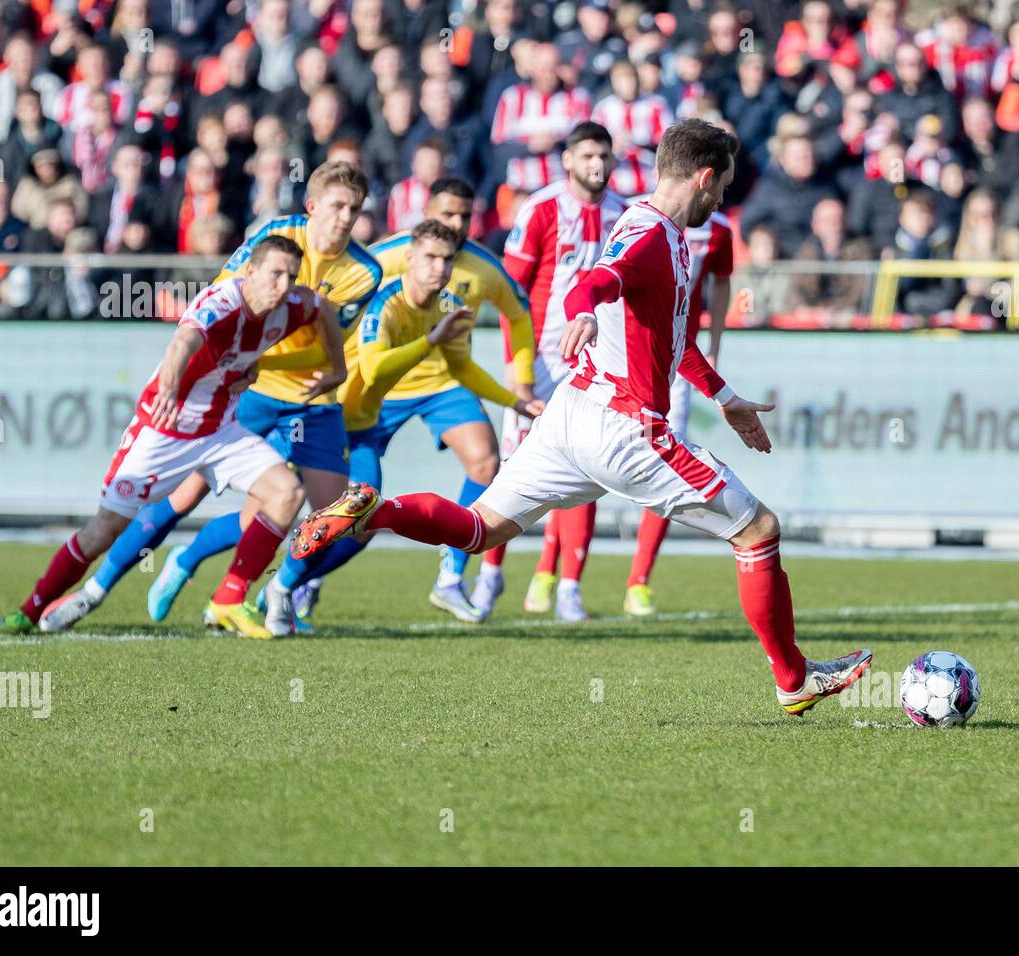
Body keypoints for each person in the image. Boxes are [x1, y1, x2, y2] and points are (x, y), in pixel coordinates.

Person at [293, 119, 871, 716]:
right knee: (759, 530)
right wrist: (584, 313)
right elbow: (592, 284)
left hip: (571, 414)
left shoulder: (647, 225)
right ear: (702, 178)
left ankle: (375, 510)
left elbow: (671, 335)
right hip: (625, 428)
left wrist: (724, 397)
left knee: (480, 528)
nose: (721, 200)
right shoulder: (652, 236)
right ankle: (793, 678)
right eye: (721, 187)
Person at [52, 162, 379, 634]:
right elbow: (224, 298)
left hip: (310, 396)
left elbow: (321, 343)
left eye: (355, 209)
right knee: (182, 495)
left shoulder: (365, 271)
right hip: (248, 390)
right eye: (337, 206)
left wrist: (296, 368)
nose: (346, 217)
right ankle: (99, 588)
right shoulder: (276, 236)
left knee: (344, 521)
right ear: (312, 207)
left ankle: (276, 591)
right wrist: (232, 367)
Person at [0, 237, 340, 638]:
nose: (284, 284)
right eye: (275, 273)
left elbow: (322, 309)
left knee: (286, 493)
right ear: (251, 272)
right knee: (104, 529)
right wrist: (170, 389)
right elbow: (182, 342)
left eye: (291, 276)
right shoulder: (222, 303)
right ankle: (29, 610)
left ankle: (228, 599)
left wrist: (338, 370)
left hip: (221, 430)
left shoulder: (292, 305)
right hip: (164, 430)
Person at [269, 178, 541, 625]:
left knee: (483, 462)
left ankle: (450, 576)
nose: (456, 225)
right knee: (328, 502)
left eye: (464, 216)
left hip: (438, 382)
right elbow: (350, 326)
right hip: (366, 395)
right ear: (423, 224)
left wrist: (520, 393)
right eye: (447, 214)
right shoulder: (386, 263)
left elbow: (518, 313)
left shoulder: (477, 273)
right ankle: (289, 580)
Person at [480, 121, 628, 623]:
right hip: (539, 360)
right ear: (567, 160)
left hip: (592, 363)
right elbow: (508, 292)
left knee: (589, 466)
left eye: (604, 156)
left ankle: (569, 587)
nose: (597, 165)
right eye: (587, 155)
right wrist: (517, 368)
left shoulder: (624, 215)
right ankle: (490, 577)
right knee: (514, 468)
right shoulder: (542, 208)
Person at [623, 205, 732, 616]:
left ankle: (639, 581)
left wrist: (715, 346)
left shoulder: (719, 230)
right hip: (628, 358)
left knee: (666, 461)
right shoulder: (638, 219)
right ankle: (557, 577)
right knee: (591, 456)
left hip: (679, 362)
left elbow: (721, 285)